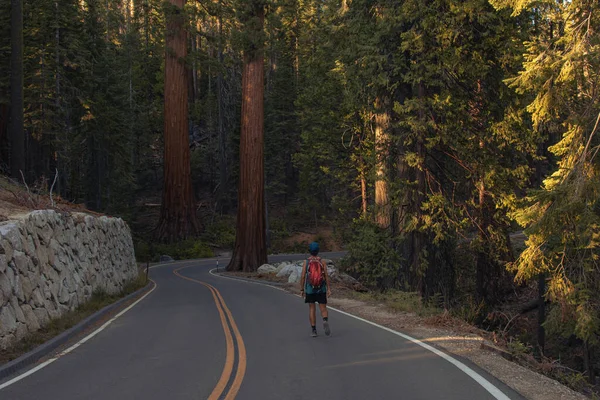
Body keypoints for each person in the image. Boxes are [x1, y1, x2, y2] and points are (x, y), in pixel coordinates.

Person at [299, 242, 331, 337]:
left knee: (312, 308)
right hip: (321, 288)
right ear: (318, 251)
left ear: (310, 251)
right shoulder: (322, 261)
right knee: (323, 307)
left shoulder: (306, 262)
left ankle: (314, 330)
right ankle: (325, 320)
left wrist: (302, 289)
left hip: (310, 289)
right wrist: (328, 288)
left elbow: (303, 276)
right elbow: (326, 276)